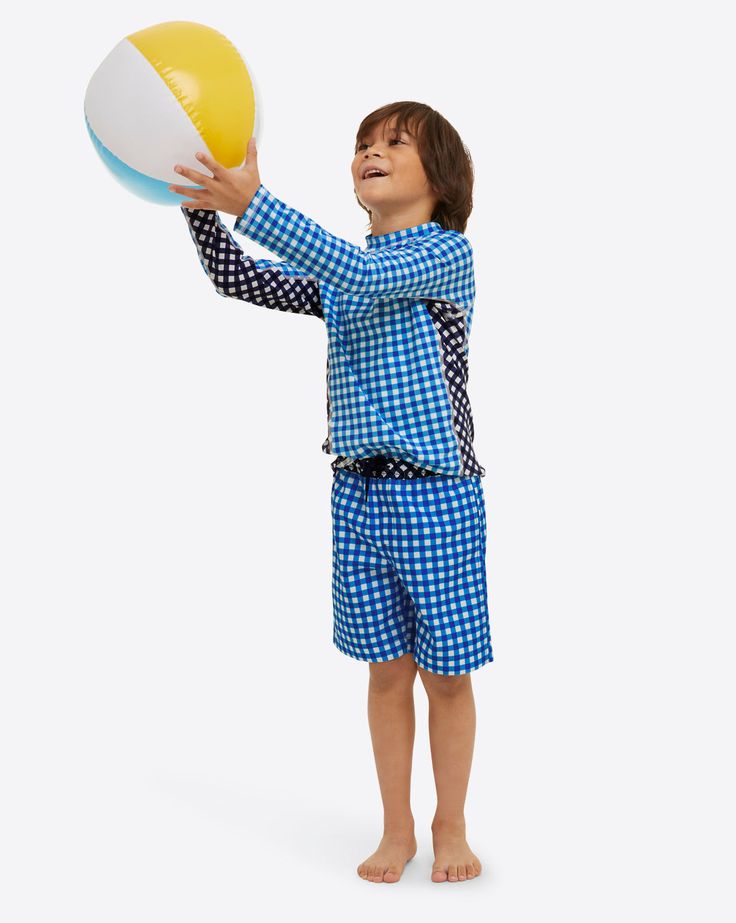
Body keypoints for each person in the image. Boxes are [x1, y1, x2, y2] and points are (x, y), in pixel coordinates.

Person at [169, 101, 493, 884]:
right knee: (385, 669)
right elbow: (237, 275)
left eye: (392, 143)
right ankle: (398, 827)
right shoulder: (344, 275)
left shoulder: (443, 256)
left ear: (441, 179)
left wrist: (254, 201)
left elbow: (365, 271)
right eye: (362, 144)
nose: (368, 152)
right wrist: (204, 206)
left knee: (445, 674)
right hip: (356, 495)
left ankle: (452, 823)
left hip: (436, 497)